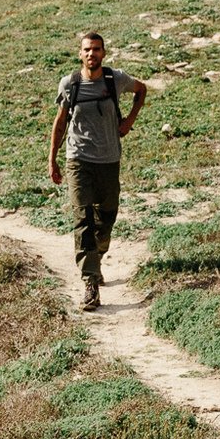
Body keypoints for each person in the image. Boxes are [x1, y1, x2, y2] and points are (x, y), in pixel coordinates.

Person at [48, 31, 146, 311]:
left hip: (109, 160)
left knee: (107, 216)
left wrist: (129, 120)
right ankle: (90, 282)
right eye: (87, 50)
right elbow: (60, 123)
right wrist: (52, 160)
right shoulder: (70, 84)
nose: (92, 54)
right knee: (83, 219)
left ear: (104, 52)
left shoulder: (116, 80)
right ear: (80, 54)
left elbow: (141, 90)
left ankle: (97, 255)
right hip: (78, 160)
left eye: (97, 49)